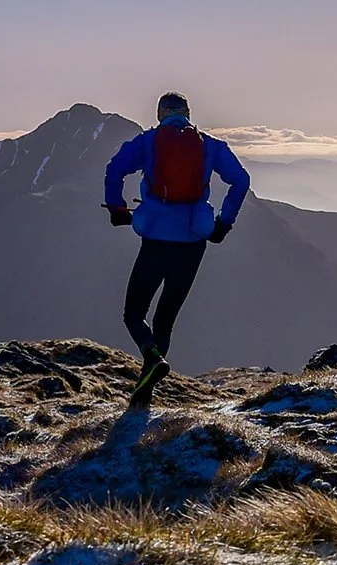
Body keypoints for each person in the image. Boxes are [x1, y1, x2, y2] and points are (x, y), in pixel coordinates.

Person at [103, 92, 250, 402]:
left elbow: (114, 169)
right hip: (193, 242)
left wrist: (117, 209)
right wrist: (224, 222)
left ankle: (151, 358)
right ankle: (146, 388)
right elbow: (240, 180)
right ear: (188, 113)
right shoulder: (210, 145)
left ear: (160, 114)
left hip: (155, 238)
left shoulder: (147, 142)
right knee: (165, 319)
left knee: (133, 313)